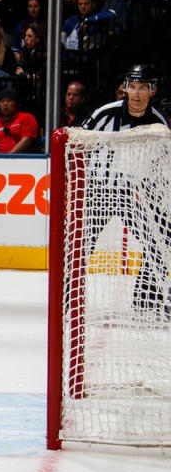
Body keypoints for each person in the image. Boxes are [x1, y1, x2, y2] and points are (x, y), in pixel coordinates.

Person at [81, 64, 170, 316]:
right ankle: (71, 297)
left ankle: (146, 300)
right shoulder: (105, 114)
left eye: (143, 87)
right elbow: (76, 141)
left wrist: (151, 189)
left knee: (160, 239)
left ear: (152, 90)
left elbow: (161, 161)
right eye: (133, 86)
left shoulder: (158, 122)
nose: (137, 93)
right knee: (81, 243)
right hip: (99, 191)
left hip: (135, 194)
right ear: (126, 87)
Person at [0, 88, 38, 154]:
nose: (5, 104)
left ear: (16, 104)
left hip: (22, 159)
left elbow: (27, 141)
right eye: (2, 101)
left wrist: (9, 157)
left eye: (9, 101)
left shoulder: (27, 118)